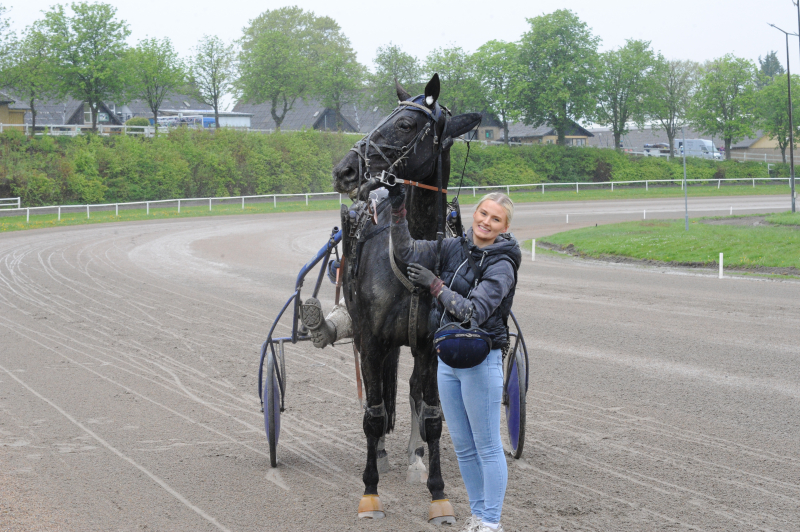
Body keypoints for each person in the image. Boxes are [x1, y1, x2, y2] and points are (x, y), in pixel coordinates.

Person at [390, 188, 520, 532]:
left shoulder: (503, 263)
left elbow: (472, 311)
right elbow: (405, 251)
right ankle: (477, 517)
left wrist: (436, 285)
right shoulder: (453, 247)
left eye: (495, 219)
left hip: (482, 359)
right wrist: (397, 210)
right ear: (475, 214)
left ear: (504, 228)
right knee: (463, 447)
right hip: (447, 361)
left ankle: (491, 522)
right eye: (483, 214)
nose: (486, 222)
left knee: (488, 447)